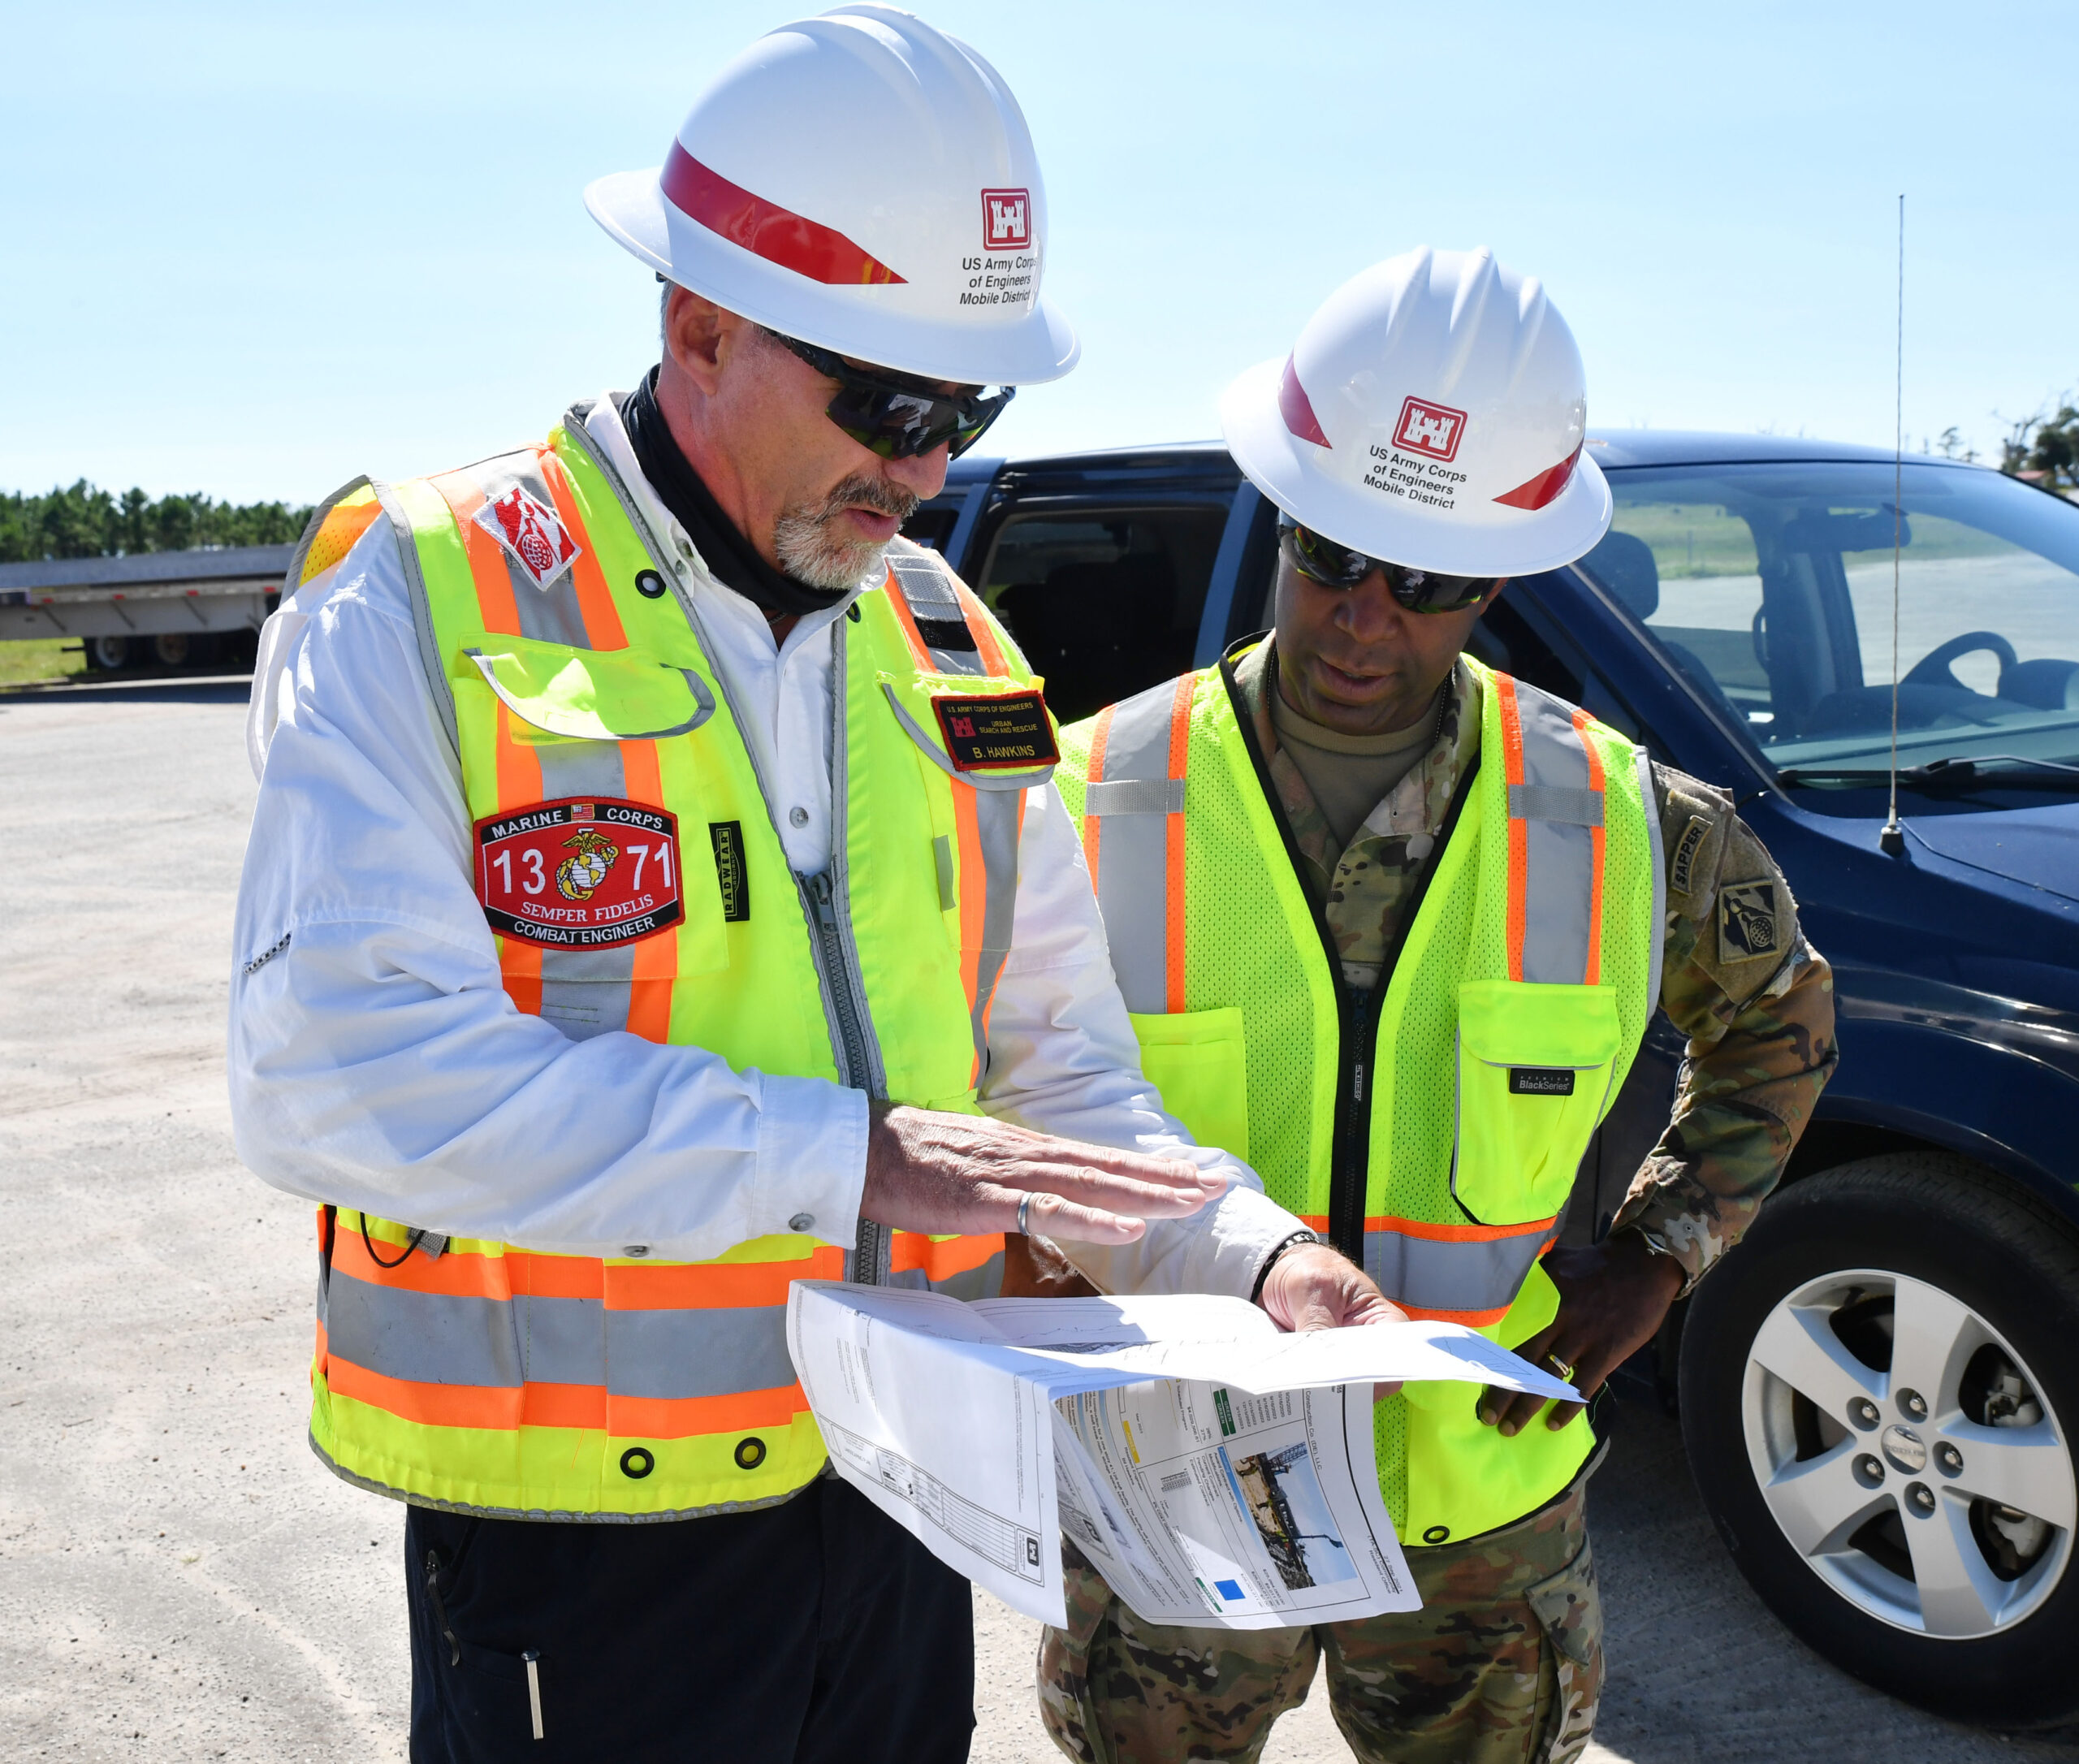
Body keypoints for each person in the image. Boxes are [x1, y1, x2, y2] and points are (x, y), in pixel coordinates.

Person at [228, 9, 1394, 1761]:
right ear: (700, 326)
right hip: (583, 1543)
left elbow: (1057, 1077)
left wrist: (1248, 1253)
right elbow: (333, 1069)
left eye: (970, 410)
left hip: (904, 1492)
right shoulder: (421, 586)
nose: (929, 469)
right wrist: (842, 1154)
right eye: (895, 405)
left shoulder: (948, 639)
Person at [1041, 247, 1839, 1764]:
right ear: (1282, 519)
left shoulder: (1624, 821)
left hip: (1479, 1503)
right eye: (1330, 555)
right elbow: (973, 1085)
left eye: (1425, 583)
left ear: (1497, 578)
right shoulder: (1082, 796)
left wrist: (1660, 1257)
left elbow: (1780, 1020)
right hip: (1177, 1478)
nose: (1363, 618)